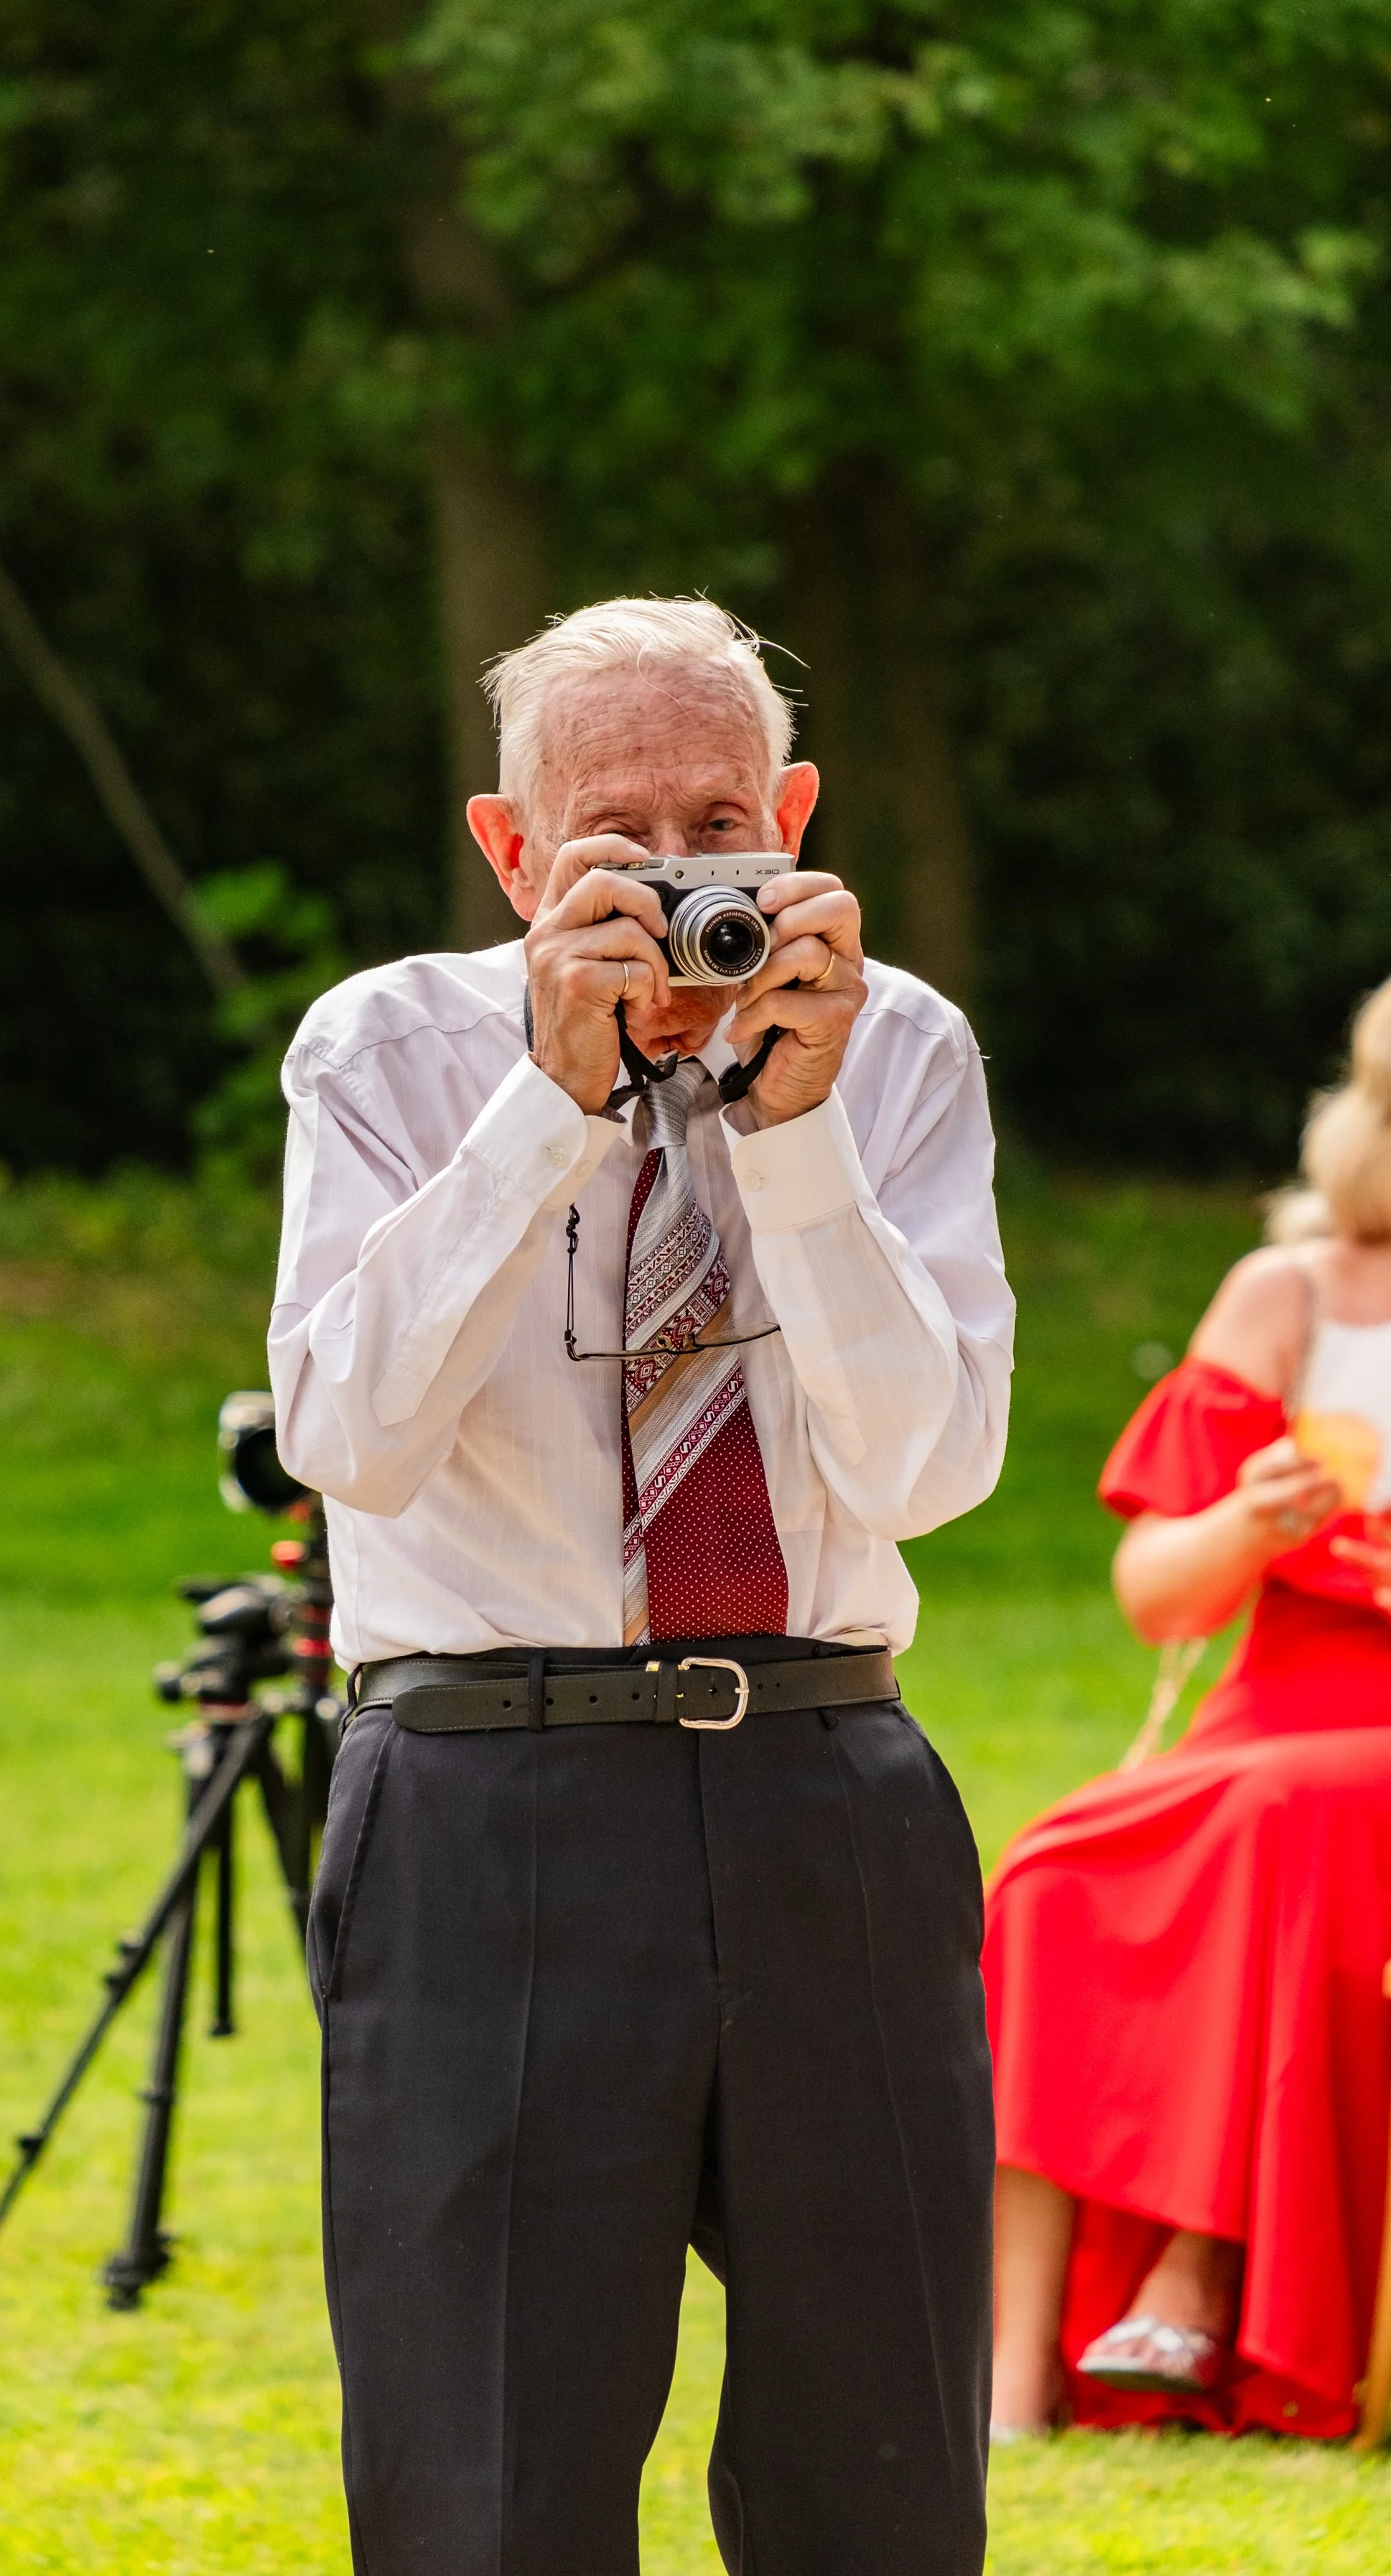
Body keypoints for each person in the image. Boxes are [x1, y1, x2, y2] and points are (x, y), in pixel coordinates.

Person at [267, 596, 1013, 2576]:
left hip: (823, 1782)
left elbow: (929, 1465)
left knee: (883, 2465)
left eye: (718, 818)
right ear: (510, 851)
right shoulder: (385, 1047)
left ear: (792, 813)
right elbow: (350, 1428)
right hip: (490, 1792)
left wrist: (792, 1141)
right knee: (487, 2474)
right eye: (620, 830)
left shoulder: (901, 1046)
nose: (683, 872)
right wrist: (543, 1105)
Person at [984, 925, 1391, 2442]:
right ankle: (1012, 2377)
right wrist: (1247, 1517)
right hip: (1272, 1718)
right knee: (1045, 1880)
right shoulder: (1291, 1296)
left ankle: (1199, 2288)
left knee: (1281, 1828)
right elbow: (1156, 1595)